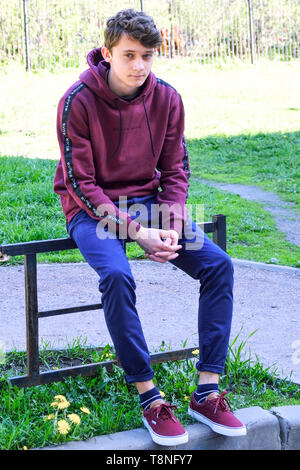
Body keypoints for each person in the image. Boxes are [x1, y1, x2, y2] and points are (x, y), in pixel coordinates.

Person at [53, 8, 246, 446]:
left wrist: (171, 223)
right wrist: (137, 233)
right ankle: (149, 395)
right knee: (117, 275)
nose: (140, 66)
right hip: (91, 208)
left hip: (150, 204)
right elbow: (81, 185)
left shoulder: (167, 98)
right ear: (107, 53)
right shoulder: (76, 101)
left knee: (219, 266)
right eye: (129, 55)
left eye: (147, 56)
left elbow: (176, 169)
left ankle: (208, 391)